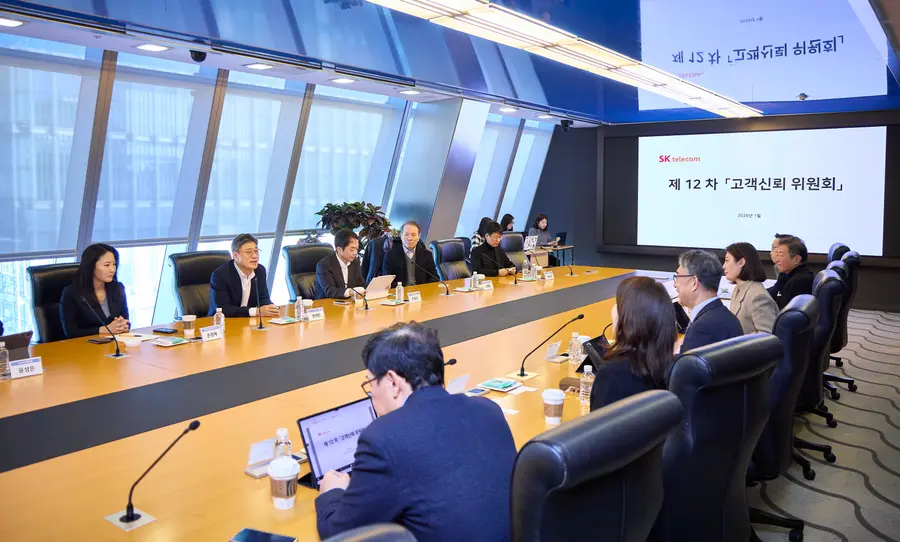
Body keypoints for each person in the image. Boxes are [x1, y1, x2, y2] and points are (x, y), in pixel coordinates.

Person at [315, 322, 516, 541]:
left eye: (370, 383)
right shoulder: (487, 409)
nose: (371, 392)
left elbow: (341, 534)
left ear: (393, 382)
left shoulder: (383, 440)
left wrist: (332, 493)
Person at [590, 277, 676, 410]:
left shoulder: (612, 376)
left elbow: (597, 423)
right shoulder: (676, 367)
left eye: (618, 304)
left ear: (628, 318)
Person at [674, 249, 742, 353]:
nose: (675, 284)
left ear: (694, 282)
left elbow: (688, 363)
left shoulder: (702, 328)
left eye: (678, 277)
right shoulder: (729, 317)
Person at [60, 243, 130, 338]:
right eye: (107, 265)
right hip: (85, 345)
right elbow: (71, 332)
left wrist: (123, 325)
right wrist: (104, 330)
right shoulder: (72, 293)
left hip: (115, 343)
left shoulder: (117, 288)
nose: (112, 269)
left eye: (114, 264)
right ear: (91, 266)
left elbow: (126, 320)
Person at [208, 234, 279, 318]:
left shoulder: (260, 270)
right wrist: (255, 311)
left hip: (248, 321)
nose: (255, 256)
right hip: (223, 322)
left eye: (256, 251)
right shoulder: (220, 275)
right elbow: (224, 309)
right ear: (235, 255)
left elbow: (263, 298)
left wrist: (270, 308)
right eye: (249, 252)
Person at [724, 242, 779, 334]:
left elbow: (767, 336)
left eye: (727, 260)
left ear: (741, 262)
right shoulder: (738, 289)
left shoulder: (758, 296)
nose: (723, 266)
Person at [381, 221, 438, 288]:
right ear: (401, 236)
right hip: (400, 291)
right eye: (406, 234)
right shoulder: (390, 255)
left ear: (419, 237)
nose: (410, 238)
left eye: (413, 235)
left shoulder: (427, 255)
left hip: (421, 291)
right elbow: (387, 279)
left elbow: (434, 278)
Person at [315, 229, 366, 299]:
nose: (355, 253)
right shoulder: (324, 265)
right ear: (339, 249)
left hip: (348, 302)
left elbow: (361, 283)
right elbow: (330, 291)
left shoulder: (355, 263)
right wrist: (350, 292)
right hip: (327, 303)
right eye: (352, 249)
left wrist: (374, 287)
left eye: (357, 249)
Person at [768, 235, 814, 310]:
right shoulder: (785, 275)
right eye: (777, 254)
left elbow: (783, 311)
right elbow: (772, 293)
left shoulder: (799, 282)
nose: (777, 260)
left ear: (796, 259)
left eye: (780, 255)